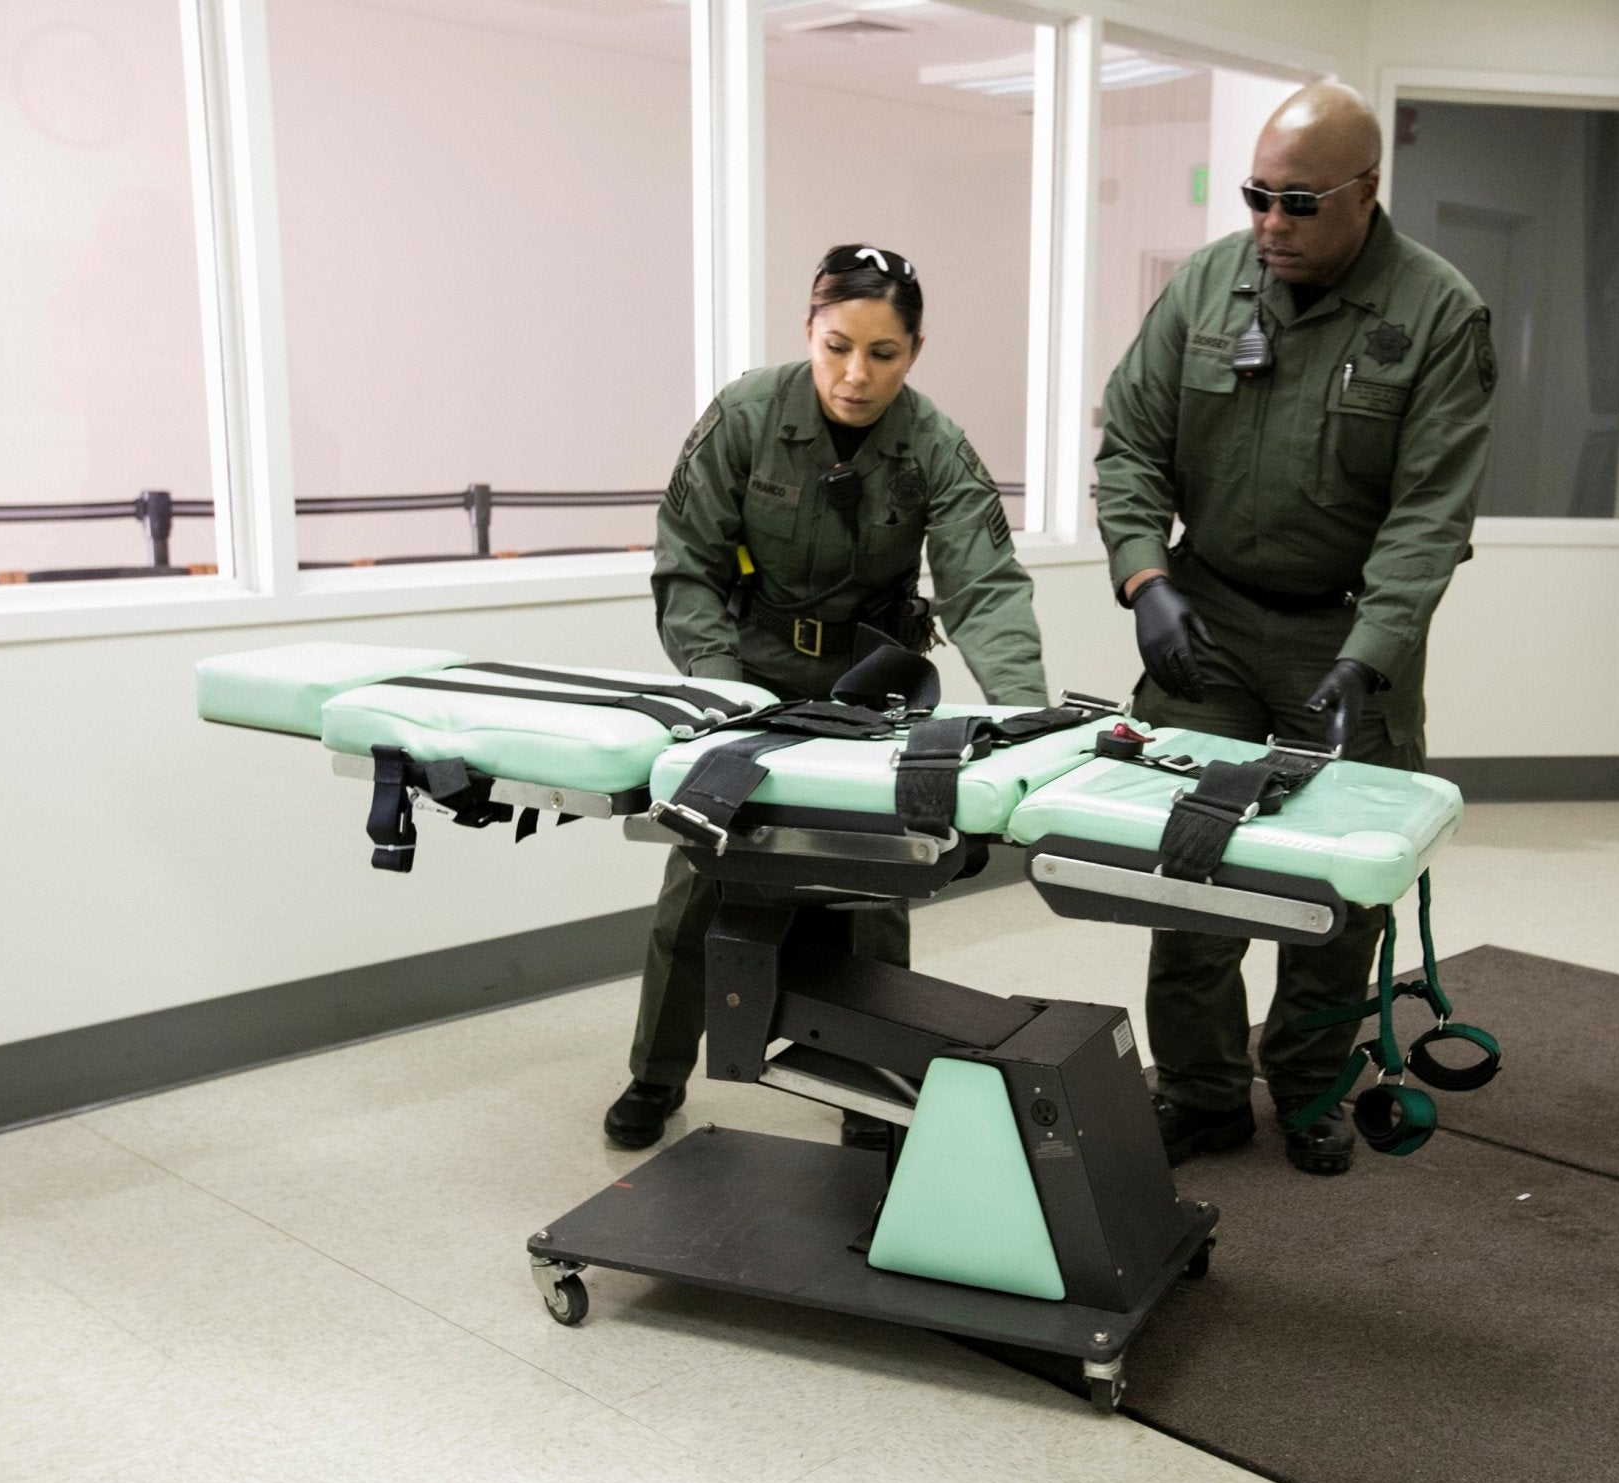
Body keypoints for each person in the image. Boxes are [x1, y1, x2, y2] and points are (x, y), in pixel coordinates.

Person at [1095, 80, 1495, 1176]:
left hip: (1347, 631)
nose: (1270, 223)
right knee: (1187, 867)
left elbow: (1429, 516)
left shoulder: (1437, 314)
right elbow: (1128, 444)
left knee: (1336, 884)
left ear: (1365, 192)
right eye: (1256, 197)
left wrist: (1369, 659)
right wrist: (1145, 580)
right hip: (1206, 617)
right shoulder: (1208, 286)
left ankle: (1313, 1087)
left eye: (1298, 203)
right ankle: (1202, 1092)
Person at [605, 244, 1051, 1151]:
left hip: (870, 685)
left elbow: (985, 587)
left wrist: (1028, 720)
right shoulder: (745, 414)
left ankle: (872, 1090)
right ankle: (655, 1075)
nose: (855, 375)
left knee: (871, 889)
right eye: (837, 346)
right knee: (702, 873)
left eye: (882, 354)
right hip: (747, 675)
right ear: (809, 330)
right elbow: (685, 566)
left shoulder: (932, 444)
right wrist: (720, 691)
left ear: (914, 351)